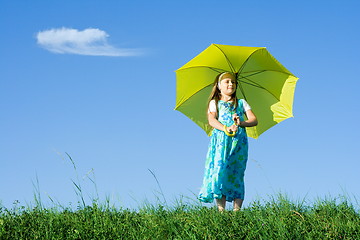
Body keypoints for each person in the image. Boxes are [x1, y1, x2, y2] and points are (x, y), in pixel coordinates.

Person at [198, 72, 258, 211]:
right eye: (227, 82)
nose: (231, 84)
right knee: (220, 171)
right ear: (219, 86)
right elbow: (211, 120)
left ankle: (237, 211)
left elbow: (254, 120)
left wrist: (241, 122)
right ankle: (221, 211)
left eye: (233, 82)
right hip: (221, 141)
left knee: (237, 172)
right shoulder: (215, 103)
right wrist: (225, 128)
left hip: (238, 142)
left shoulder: (242, 103)